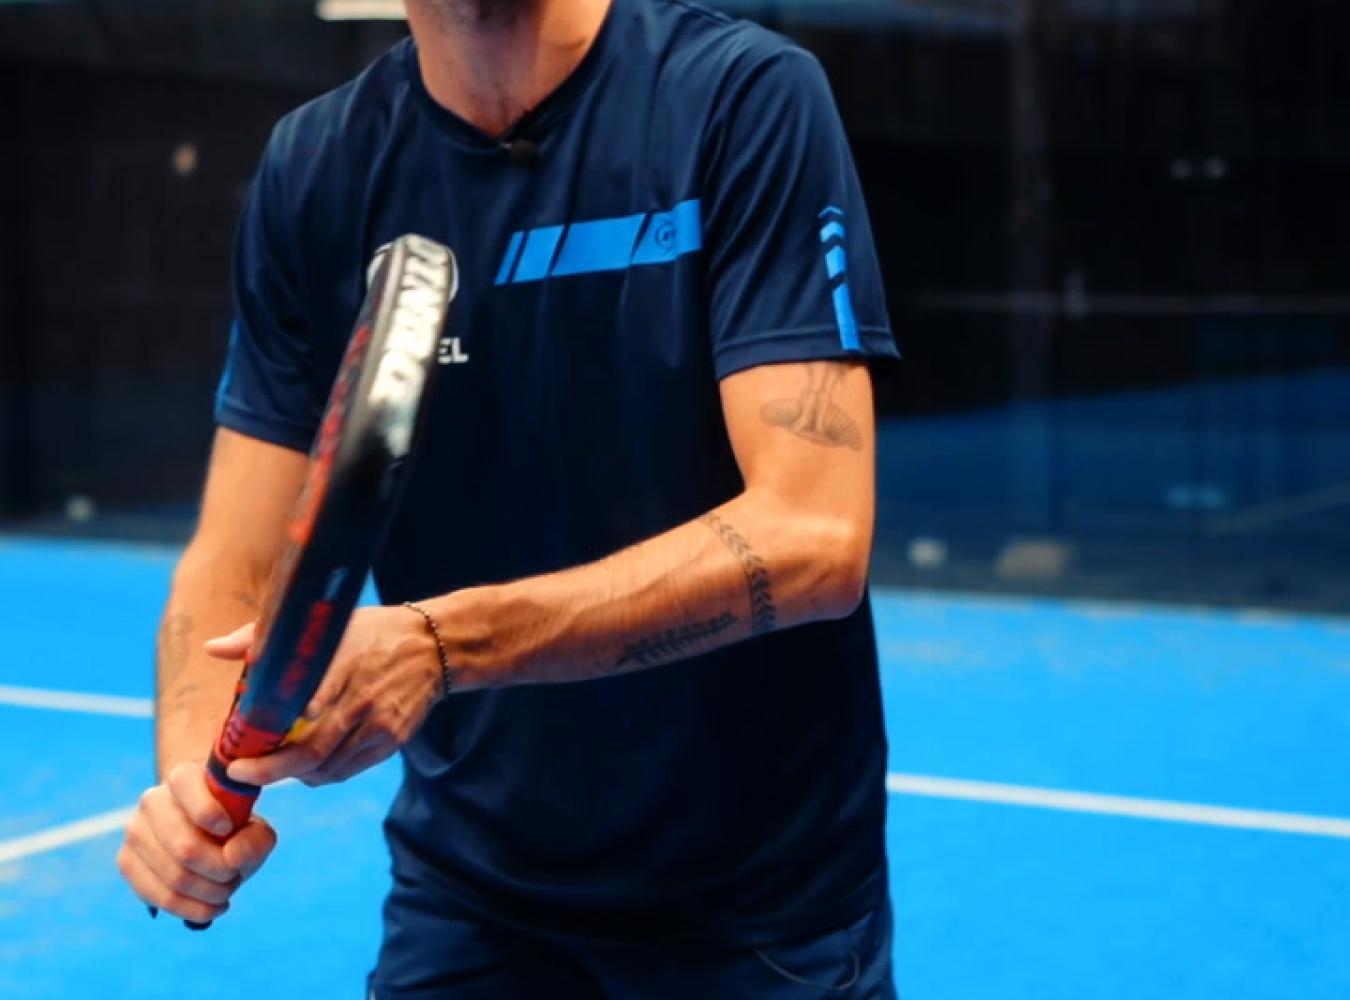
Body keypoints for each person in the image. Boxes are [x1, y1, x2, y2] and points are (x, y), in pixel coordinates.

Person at [116, 0, 900, 994]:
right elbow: (232, 556)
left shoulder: (741, 98)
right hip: (470, 896)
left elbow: (814, 534)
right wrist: (194, 779)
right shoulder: (316, 169)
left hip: (758, 908)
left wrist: (439, 647)